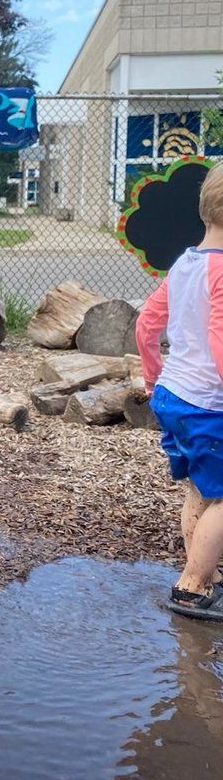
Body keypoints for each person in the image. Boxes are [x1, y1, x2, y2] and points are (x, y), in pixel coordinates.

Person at [136, 160, 223, 621]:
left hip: (173, 395)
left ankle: (200, 574)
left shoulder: (185, 263)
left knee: (201, 488)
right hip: (210, 404)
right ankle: (192, 589)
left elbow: (146, 325)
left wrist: (153, 378)